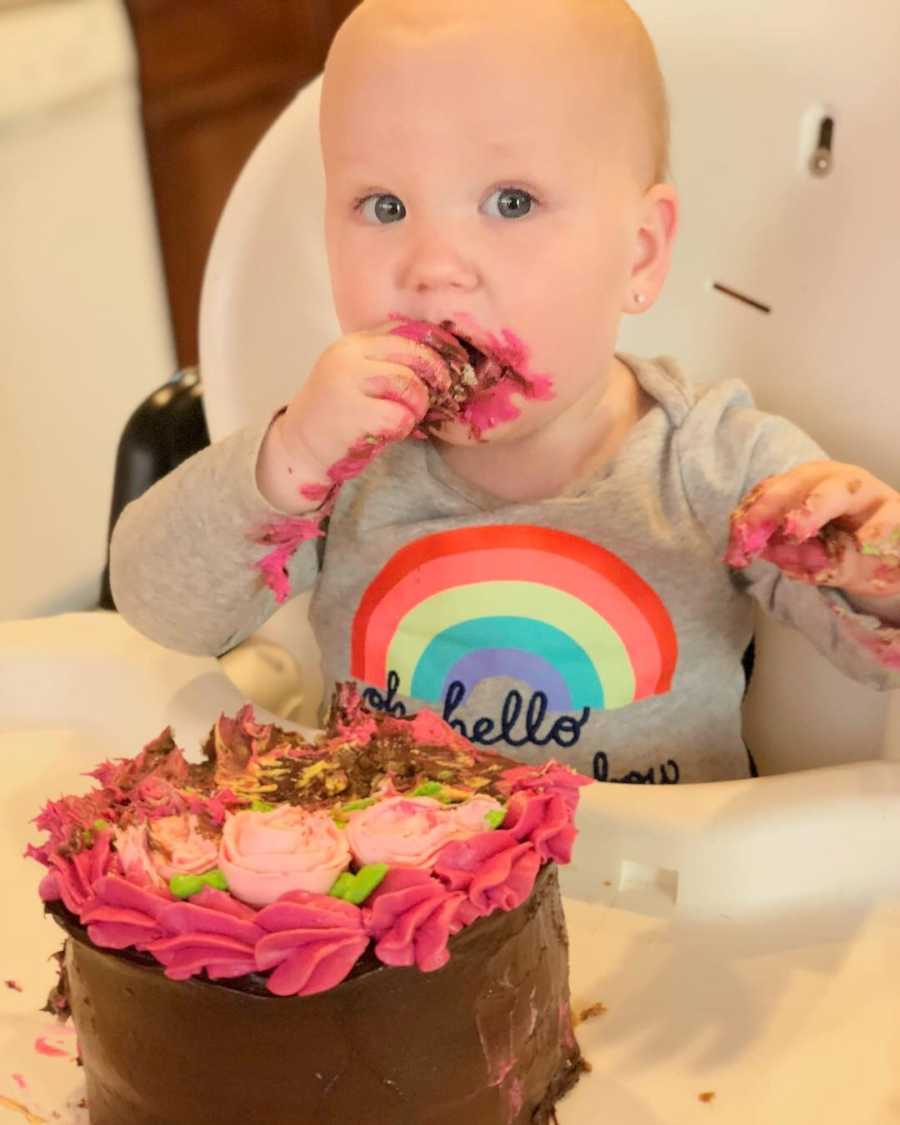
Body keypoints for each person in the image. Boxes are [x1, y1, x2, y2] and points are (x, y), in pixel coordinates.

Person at [111, 0, 900, 783]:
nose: (434, 266)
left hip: (644, 895)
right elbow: (161, 613)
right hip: (383, 883)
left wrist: (871, 566)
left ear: (639, 252)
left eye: (511, 202)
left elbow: (879, 665)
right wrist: (286, 461)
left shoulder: (719, 465)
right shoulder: (341, 463)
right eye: (383, 207)